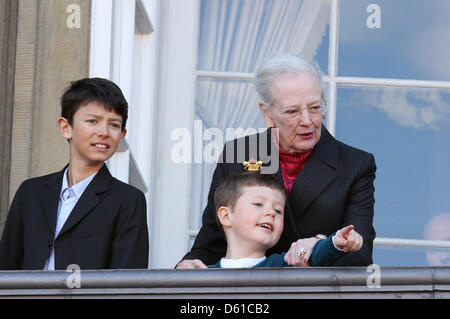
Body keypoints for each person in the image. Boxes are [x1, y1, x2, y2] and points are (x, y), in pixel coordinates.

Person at [177, 52, 376, 269]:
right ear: (267, 114)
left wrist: (321, 245)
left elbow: (360, 254)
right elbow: (212, 241)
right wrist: (187, 266)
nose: (307, 121)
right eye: (292, 111)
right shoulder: (239, 153)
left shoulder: (355, 164)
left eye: (315, 107)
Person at [0, 78, 149, 270]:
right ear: (65, 127)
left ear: (122, 135)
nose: (104, 132)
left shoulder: (128, 200)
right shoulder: (31, 192)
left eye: (114, 124)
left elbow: (128, 280)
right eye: (92, 121)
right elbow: (6, 268)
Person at [208, 173, 363, 268]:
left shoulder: (282, 264)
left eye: (278, 210)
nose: (271, 213)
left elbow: (310, 254)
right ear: (226, 216)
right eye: (258, 204)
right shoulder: (202, 274)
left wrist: (335, 242)